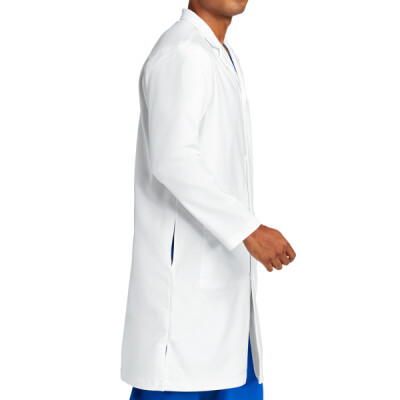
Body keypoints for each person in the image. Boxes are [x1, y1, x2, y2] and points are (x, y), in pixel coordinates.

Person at [121, 1, 296, 399]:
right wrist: (250, 230)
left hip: (227, 310)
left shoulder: (222, 56)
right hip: (181, 318)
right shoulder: (182, 52)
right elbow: (173, 159)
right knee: (185, 378)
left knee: (234, 377)